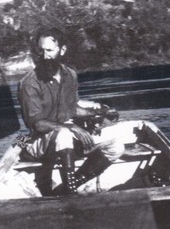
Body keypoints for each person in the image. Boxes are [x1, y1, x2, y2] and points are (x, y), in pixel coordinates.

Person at [18, 27, 124, 195]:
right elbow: (37, 124)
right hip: (37, 140)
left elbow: (72, 108)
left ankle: (68, 188)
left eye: (50, 50)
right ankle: (71, 194)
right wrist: (71, 127)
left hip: (63, 138)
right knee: (64, 135)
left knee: (116, 145)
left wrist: (98, 113)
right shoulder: (29, 83)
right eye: (41, 51)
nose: (45, 56)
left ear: (62, 50)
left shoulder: (70, 75)